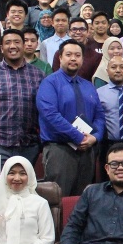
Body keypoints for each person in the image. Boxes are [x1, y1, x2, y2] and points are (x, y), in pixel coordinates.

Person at [0, 29, 45, 183]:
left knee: (24, 193)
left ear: (24, 45)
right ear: (1, 48)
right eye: (8, 43)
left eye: (17, 42)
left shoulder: (37, 74)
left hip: (28, 146)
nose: (13, 46)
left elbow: (44, 110)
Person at [36, 40, 105, 197]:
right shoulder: (49, 83)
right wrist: (78, 137)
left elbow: (100, 116)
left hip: (87, 150)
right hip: (60, 150)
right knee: (58, 199)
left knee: (83, 199)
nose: (73, 58)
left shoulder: (88, 85)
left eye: (77, 55)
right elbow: (51, 116)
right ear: (60, 57)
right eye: (68, 55)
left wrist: (95, 138)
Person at [96, 55, 123, 157]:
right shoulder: (98, 93)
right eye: (113, 67)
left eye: (122, 67)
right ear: (107, 71)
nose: (118, 70)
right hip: (108, 144)